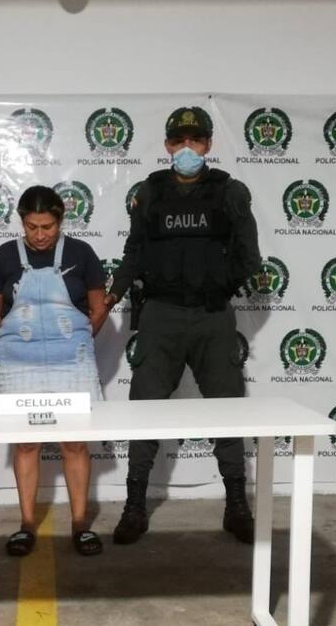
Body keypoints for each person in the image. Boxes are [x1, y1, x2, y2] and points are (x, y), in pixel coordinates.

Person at [105, 107, 262, 545]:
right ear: (167, 145)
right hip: (162, 316)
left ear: (208, 144)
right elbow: (134, 251)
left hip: (213, 317)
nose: (187, 147)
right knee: (145, 413)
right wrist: (112, 295)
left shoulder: (230, 191)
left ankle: (237, 506)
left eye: (196, 139)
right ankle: (134, 506)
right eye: (179, 140)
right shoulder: (150, 192)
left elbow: (249, 256)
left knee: (227, 414)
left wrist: (230, 284)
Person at [0, 185, 110, 557]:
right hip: (18, 365)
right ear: (22, 221)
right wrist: (14, 337)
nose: (39, 235)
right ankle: (26, 524)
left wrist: (75, 340)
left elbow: (98, 308)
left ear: (61, 221)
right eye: (32, 226)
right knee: (26, 443)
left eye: (48, 227)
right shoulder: (4, 256)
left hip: (72, 362)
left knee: (75, 442)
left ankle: (80, 524)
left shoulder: (81, 253)